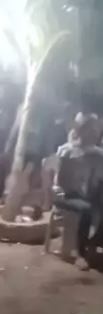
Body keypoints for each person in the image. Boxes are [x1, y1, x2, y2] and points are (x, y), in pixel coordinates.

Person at [55, 112, 103, 269]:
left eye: (97, 130)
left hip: (89, 194)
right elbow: (61, 181)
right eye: (92, 129)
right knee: (86, 209)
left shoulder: (98, 154)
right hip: (67, 194)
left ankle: (94, 241)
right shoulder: (67, 151)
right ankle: (80, 254)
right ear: (82, 130)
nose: (95, 133)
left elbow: (98, 179)